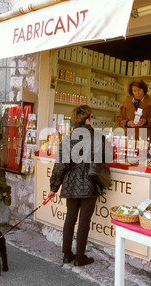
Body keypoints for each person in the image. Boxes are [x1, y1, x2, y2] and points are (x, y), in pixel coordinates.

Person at [48, 105, 109, 267]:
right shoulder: (98, 138)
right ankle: (80, 257)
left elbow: (60, 166)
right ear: (88, 118)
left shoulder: (68, 139)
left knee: (70, 218)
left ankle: (67, 255)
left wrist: (54, 187)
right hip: (90, 182)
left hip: (70, 182)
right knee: (84, 221)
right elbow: (105, 159)